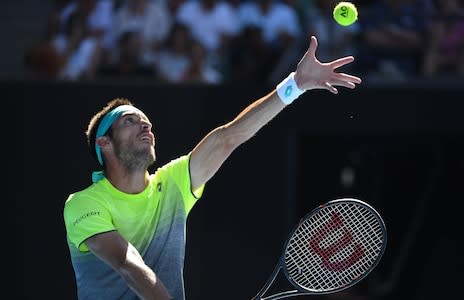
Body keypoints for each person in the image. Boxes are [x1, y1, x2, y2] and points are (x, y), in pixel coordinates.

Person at [63, 35, 362, 300]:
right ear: (105, 142)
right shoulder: (85, 203)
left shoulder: (173, 184)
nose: (145, 124)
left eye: (146, 122)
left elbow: (228, 137)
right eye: (130, 120)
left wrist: (294, 86)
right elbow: (127, 263)